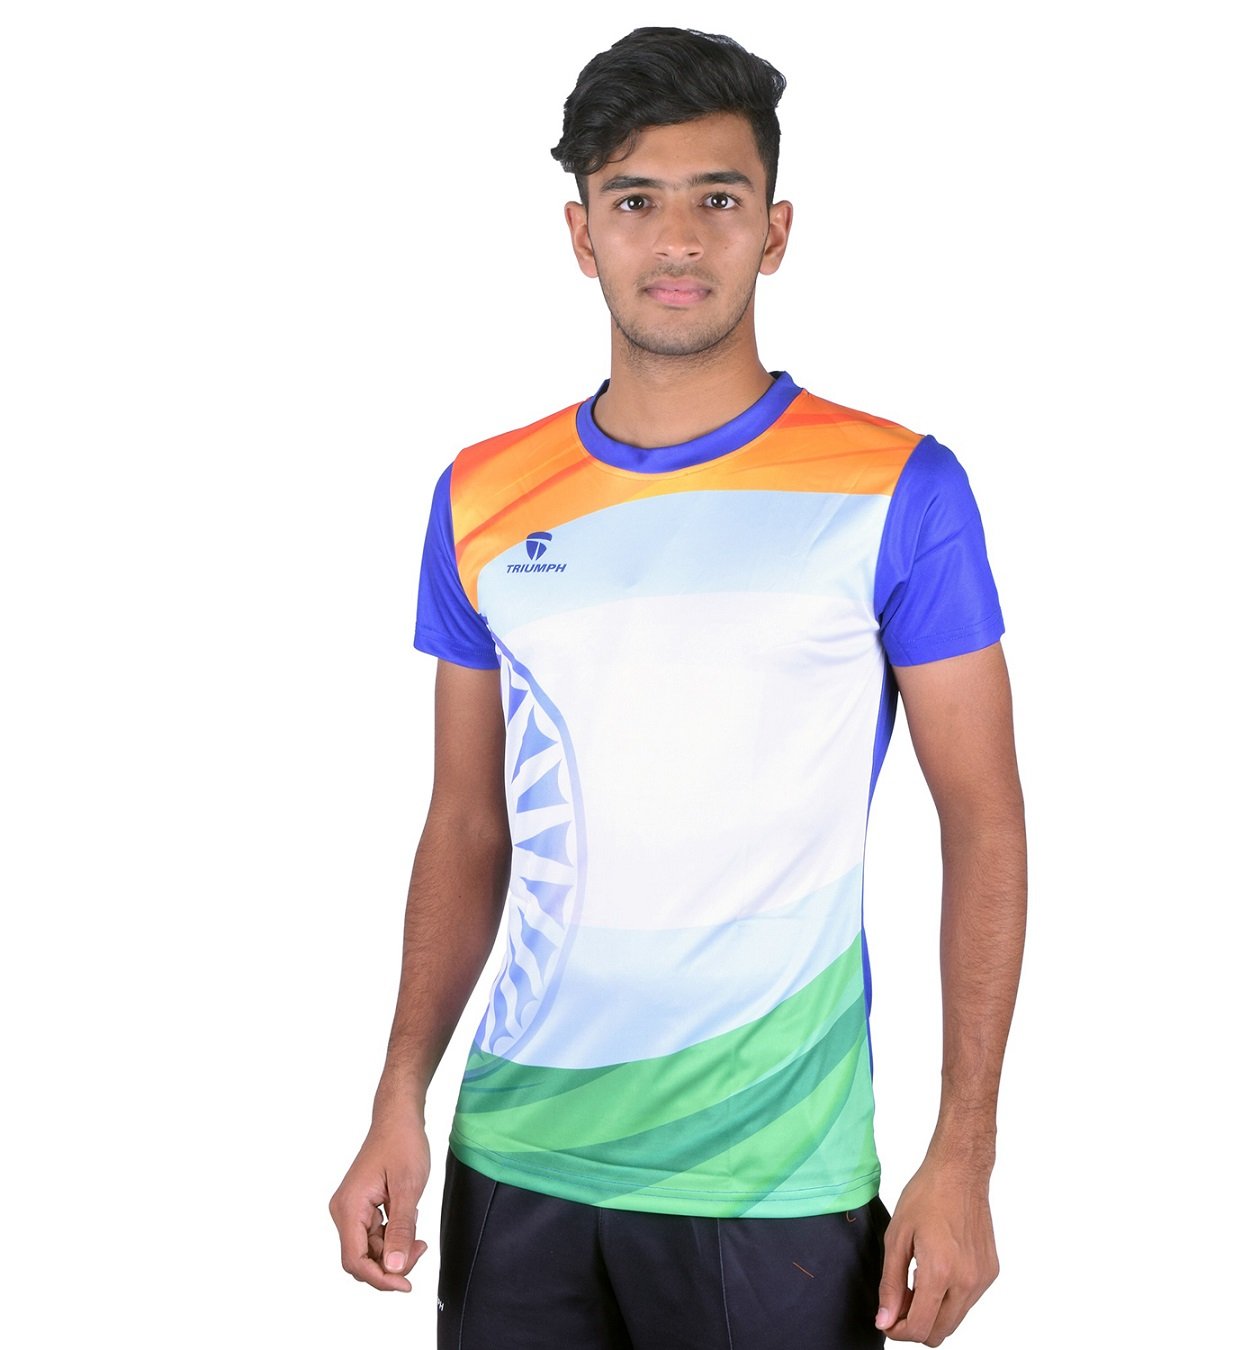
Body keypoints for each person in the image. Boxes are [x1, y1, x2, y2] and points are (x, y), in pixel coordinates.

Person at [330, 26, 1027, 1350]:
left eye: (716, 197)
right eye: (634, 200)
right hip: (516, 1159)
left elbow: (983, 821)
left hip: (770, 1179)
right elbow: (466, 823)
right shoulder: (482, 494)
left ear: (774, 230)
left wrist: (966, 1152)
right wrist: (397, 1093)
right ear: (581, 234)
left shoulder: (899, 488)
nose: (677, 240)